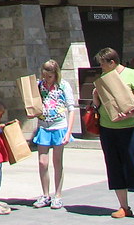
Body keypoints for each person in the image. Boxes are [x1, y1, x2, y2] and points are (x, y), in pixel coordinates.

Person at [91, 47, 134, 222]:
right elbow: (98, 105)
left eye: (102, 63)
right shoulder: (102, 79)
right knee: (114, 167)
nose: (100, 67)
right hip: (108, 128)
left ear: (112, 62)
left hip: (131, 128)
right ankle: (124, 207)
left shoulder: (131, 74)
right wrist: (95, 97)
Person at [31, 59, 75, 209]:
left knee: (57, 162)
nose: (47, 79)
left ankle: (58, 195)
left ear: (55, 74)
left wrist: (68, 132)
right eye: (45, 76)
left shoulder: (63, 86)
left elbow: (71, 108)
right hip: (44, 126)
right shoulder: (39, 85)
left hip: (59, 126)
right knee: (43, 162)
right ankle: (45, 194)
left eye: (50, 76)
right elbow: (34, 103)